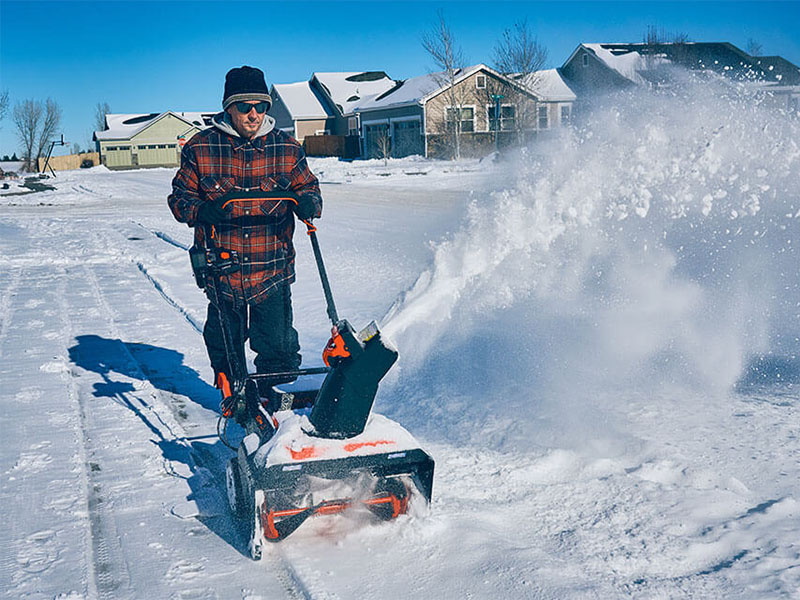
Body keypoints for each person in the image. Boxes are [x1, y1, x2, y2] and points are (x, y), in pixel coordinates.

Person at [168, 65, 322, 394]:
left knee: (279, 352)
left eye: (261, 106)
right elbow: (179, 199)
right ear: (229, 107)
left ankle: (271, 402)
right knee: (226, 354)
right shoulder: (200, 148)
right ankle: (233, 399)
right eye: (244, 106)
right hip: (223, 272)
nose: (253, 114)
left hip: (272, 271)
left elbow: (309, 188)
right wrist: (200, 210)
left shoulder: (287, 148)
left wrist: (309, 203)